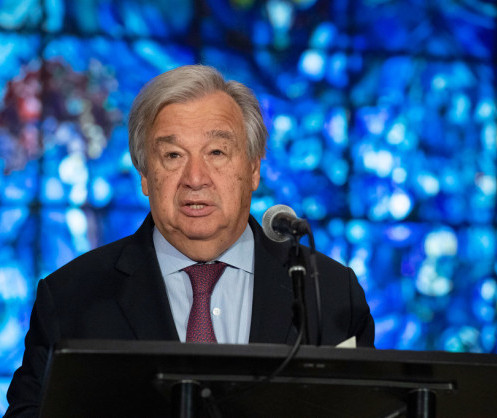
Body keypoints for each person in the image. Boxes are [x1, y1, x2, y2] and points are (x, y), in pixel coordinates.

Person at [5, 65, 374, 416]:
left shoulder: (330, 293)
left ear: (253, 169)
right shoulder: (72, 297)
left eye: (217, 152)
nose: (195, 178)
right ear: (145, 175)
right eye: (173, 155)